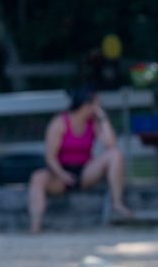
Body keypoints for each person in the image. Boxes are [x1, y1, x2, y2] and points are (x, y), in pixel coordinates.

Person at [28, 87, 132, 234]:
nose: (99, 107)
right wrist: (62, 174)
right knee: (37, 178)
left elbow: (110, 144)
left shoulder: (93, 122)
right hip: (60, 172)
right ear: (86, 105)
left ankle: (117, 202)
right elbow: (50, 157)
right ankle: (35, 227)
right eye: (97, 104)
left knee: (115, 154)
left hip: (85, 171)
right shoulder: (59, 123)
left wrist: (103, 118)